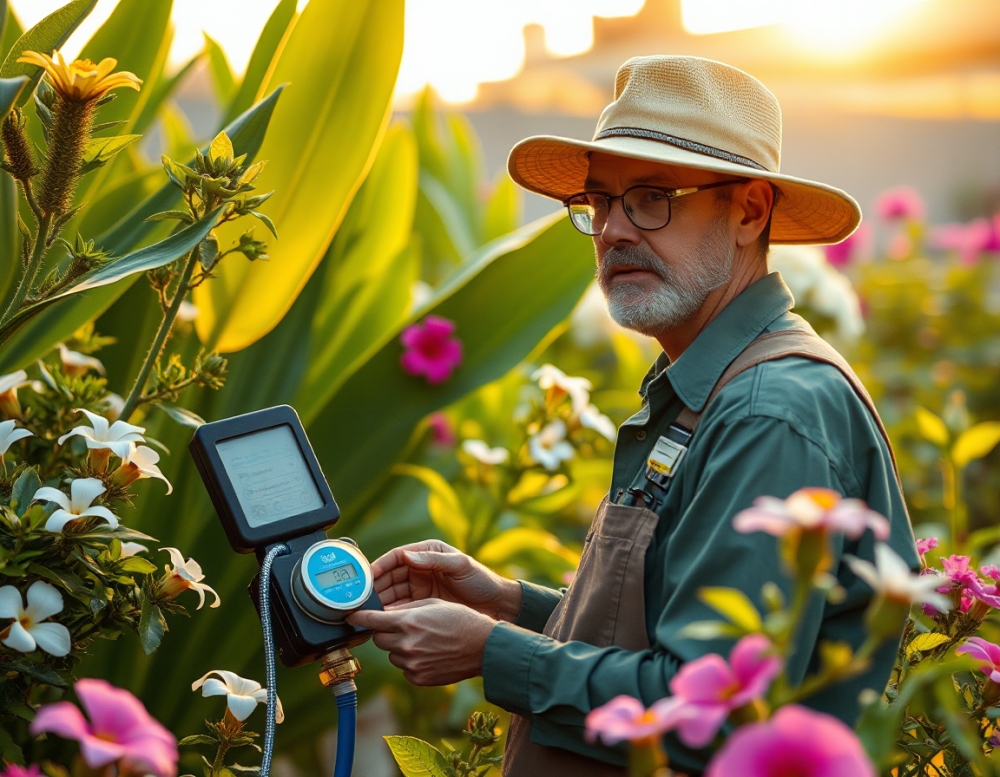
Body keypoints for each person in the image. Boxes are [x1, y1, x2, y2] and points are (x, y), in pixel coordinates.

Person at [348, 55, 918, 775]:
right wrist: (505, 603)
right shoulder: (707, 386)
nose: (614, 229)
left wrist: (489, 651)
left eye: (651, 197)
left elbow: (709, 711)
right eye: (600, 201)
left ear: (749, 211)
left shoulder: (768, 412)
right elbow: (671, 639)